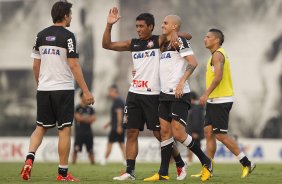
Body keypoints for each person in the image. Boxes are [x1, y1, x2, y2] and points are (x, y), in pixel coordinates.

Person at [102, 7, 192, 181]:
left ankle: (180, 163)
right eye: (137, 26)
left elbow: (188, 36)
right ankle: (130, 171)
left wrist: (175, 34)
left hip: (153, 95)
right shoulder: (133, 44)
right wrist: (109, 25)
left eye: (142, 26)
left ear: (151, 27)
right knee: (131, 132)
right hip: (134, 93)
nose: (138, 29)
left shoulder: (159, 40)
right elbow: (107, 45)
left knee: (160, 135)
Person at [20, 1, 94, 182]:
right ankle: (62, 174)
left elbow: (35, 65)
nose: (72, 17)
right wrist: (86, 91)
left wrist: (40, 85)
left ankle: (29, 158)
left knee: (40, 128)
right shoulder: (69, 36)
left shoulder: (40, 35)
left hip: (44, 89)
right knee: (64, 131)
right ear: (65, 15)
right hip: (63, 89)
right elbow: (74, 65)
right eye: (70, 14)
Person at [143, 15, 212, 182]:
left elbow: (193, 62)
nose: (162, 25)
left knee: (179, 134)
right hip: (164, 95)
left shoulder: (179, 42)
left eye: (165, 23)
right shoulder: (165, 43)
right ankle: (163, 173)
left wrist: (182, 81)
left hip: (179, 94)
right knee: (165, 133)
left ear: (174, 26)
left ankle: (206, 162)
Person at [198, 28, 256, 178]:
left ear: (216, 40)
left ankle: (247, 163)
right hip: (214, 100)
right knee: (208, 133)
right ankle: (207, 168)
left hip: (220, 100)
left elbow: (218, 77)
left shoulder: (217, 55)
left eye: (208, 36)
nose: (205, 39)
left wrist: (205, 94)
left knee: (221, 136)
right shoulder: (215, 55)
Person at [101, 84, 126, 165]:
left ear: (114, 91)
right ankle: (126, 161)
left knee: (110, 143)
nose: (109, 93)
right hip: (118, 126)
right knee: (121, 144)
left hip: (116, 127)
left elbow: (119, 114)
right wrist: (108, 124)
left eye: (110, 91)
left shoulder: (118, 101)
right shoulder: (118, 101)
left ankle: (104, 160)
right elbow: (115, 116)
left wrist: (118, 126)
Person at [72, 92, 96, 165]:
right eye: (85, 96)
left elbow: (94, 119)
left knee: (90, 149)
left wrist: (83, 118)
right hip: (79, 132)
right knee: (76, 149)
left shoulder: (90, 108)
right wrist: (87, 119)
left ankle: (93, 163)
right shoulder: (77, 108)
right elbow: (78, 118)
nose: (86, 98)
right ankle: (73, 163)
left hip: (88, 132)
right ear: (81, 97)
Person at [186, 91, 204, 165]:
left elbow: (196, 120)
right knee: (194, 145)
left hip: (195, 131)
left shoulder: (195, 108)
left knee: (192, 145)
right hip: (193, 131)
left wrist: (195, 132)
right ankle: (191, 159)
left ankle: (190, 160)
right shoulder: (195, 107)